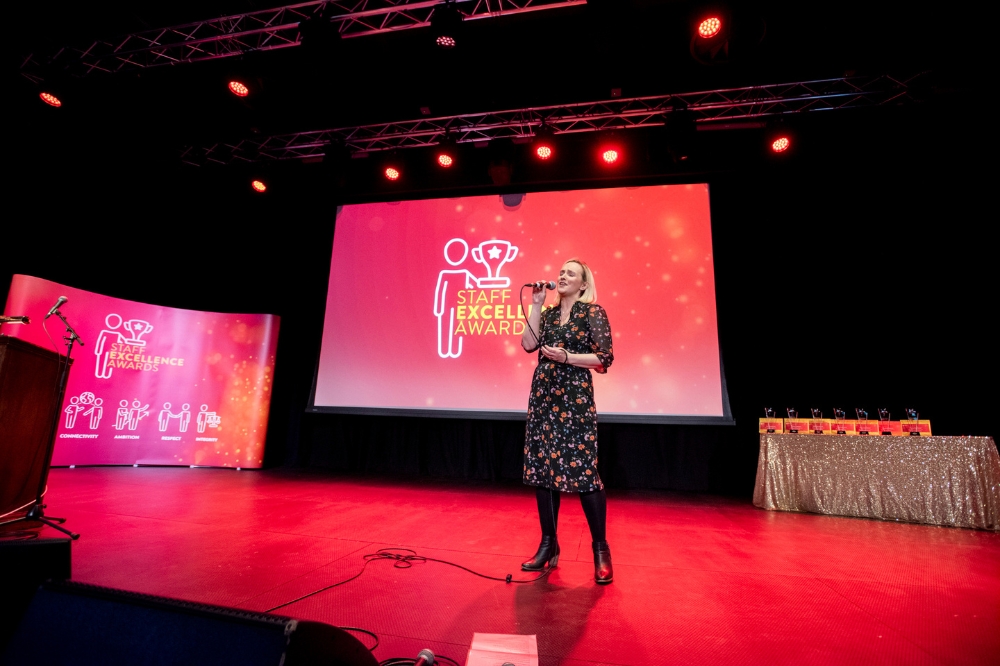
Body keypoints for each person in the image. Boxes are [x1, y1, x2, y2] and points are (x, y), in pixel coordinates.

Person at [520, 258, 614, 584]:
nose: (562, 276)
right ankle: (549, 545)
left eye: (570, 273)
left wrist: (567, 357)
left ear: (583, 284)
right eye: (561, 271)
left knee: (585, 472)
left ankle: (600, 548)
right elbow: (528, 344)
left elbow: (604, 358)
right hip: (544, 397)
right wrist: (535, 305)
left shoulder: (592, 313)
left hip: (574, 399)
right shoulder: (546, 314)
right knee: (544, 470)